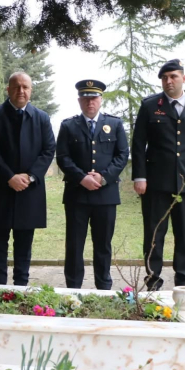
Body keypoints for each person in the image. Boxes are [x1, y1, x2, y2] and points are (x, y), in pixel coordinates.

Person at [131, 59, 185, 290]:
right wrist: (140, 176)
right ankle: (153, 280)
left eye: (173, 76)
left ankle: (184, 280)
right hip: (156, 183)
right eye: (164, 78)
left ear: (183, 78)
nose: (169, 81)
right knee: (154, 233)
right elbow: (138, 143)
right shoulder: (150, 105)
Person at [0, 71, 56, 285]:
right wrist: (10, 177)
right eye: (16, 87)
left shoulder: (42, 118)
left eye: (25, 87)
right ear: (8, 89)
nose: (21, 91)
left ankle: (21, 286)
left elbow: (48, 150)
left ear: (31, 90)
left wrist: (30, 177)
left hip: (29, 190)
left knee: (24, 243)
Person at [56, 79, 129, 289]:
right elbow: (62, 157)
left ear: (100, 99)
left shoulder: (114, 124)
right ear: (79, 100)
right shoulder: (68, 125)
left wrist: (103, 177)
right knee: (74, 244)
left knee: (103, 244)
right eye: (85, 98)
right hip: (77, 194)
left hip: (106, 195)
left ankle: (104, 287)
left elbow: (122, 155)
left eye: (94, 98)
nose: (90, 102)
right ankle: (73, 288)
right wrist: (82, 178)